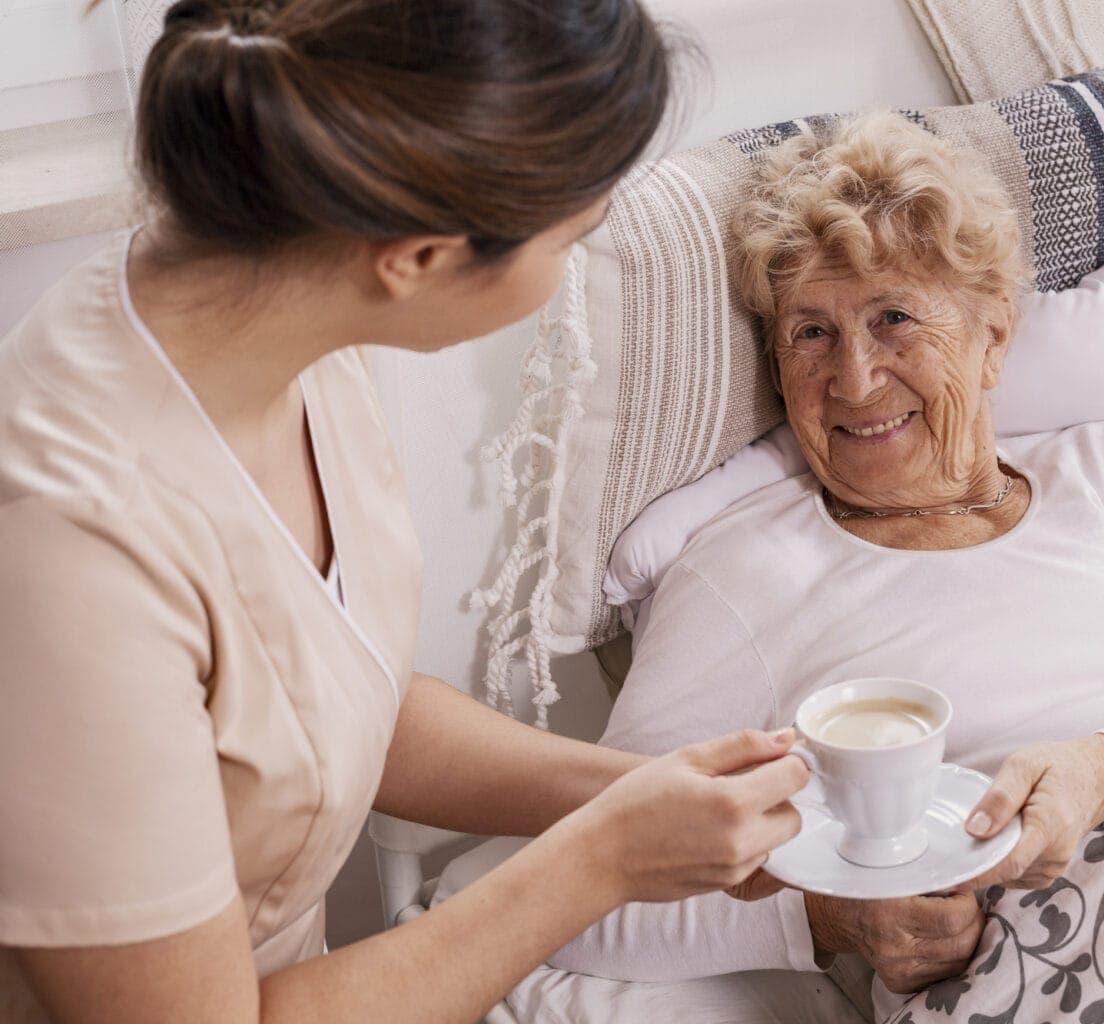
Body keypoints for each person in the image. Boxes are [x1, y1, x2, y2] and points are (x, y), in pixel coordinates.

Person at [0, 2, 810, 1021]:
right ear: (419, 257)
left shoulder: (285, 327)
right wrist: (601, 860)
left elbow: (339, 706)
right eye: (572, 239)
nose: (570, 269)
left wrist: (640, 791)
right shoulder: (66, 551)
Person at [502, 111, 1104, 1001]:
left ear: (994, 338)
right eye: (810, 334)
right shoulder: (745, 569)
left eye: (894, 318)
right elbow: (593, 880)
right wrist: (826, 916)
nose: (854, 379)